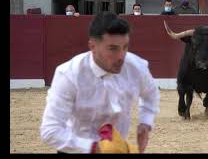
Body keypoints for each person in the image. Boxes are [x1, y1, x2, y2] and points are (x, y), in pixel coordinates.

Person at [40, 11, 160, 153]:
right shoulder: (68, 74)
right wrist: (93, 148)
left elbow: (151, 94)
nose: (122, 56)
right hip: (76, 149)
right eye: (113, 48)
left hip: (118, 148)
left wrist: (145, 123)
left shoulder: (136, 66)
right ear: (93, 47)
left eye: (125, 47)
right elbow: (50, 130)